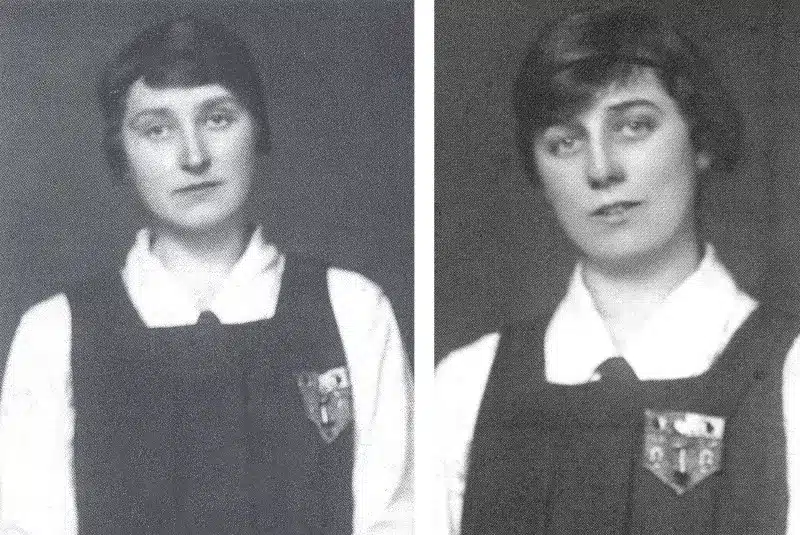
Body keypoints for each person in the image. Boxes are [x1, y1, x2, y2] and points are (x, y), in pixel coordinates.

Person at [0, 15, 412, 535]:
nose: (193, 157)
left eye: (217, 119)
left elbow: (396, 518)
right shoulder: (53, 333)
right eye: (156, 129)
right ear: (121, 153)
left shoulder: (352, 308)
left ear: (257, 127)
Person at [435, 6, 800, 534]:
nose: (601, 169)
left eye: (634, 126)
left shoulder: (789, 376)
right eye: (564, 141)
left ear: (699, 141)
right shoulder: (467, 387)